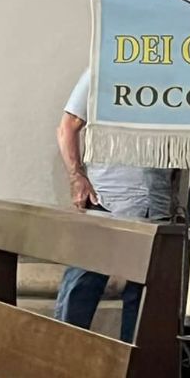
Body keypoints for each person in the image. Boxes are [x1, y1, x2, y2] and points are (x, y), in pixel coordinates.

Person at [54, 69, 177, 341]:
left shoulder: (174, 76)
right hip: (106, 197)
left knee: (144, 302)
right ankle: (62, 355)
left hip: (155, 204)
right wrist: (77, 177)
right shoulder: (102, 68)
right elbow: (67, 127)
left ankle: (134, 366)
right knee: (80, 289)